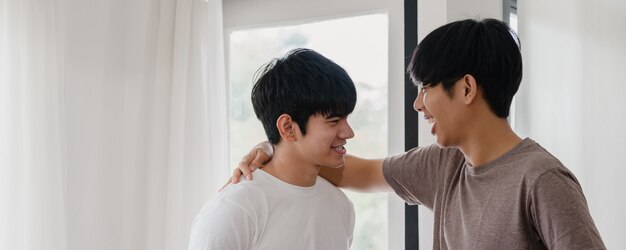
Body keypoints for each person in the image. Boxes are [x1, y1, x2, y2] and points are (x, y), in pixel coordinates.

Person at [230, 19, 606, 249]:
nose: (418, 104)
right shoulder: (444, 165)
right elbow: (351, 171)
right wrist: (278, 146)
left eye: (426, 88)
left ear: (466, 89)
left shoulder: (542, 180)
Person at [188, 48, 357, 250]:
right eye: (334, 121)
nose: (349, 132)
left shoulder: (341, 206)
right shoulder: (236, 208)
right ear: (287, 127)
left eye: (346, 118)